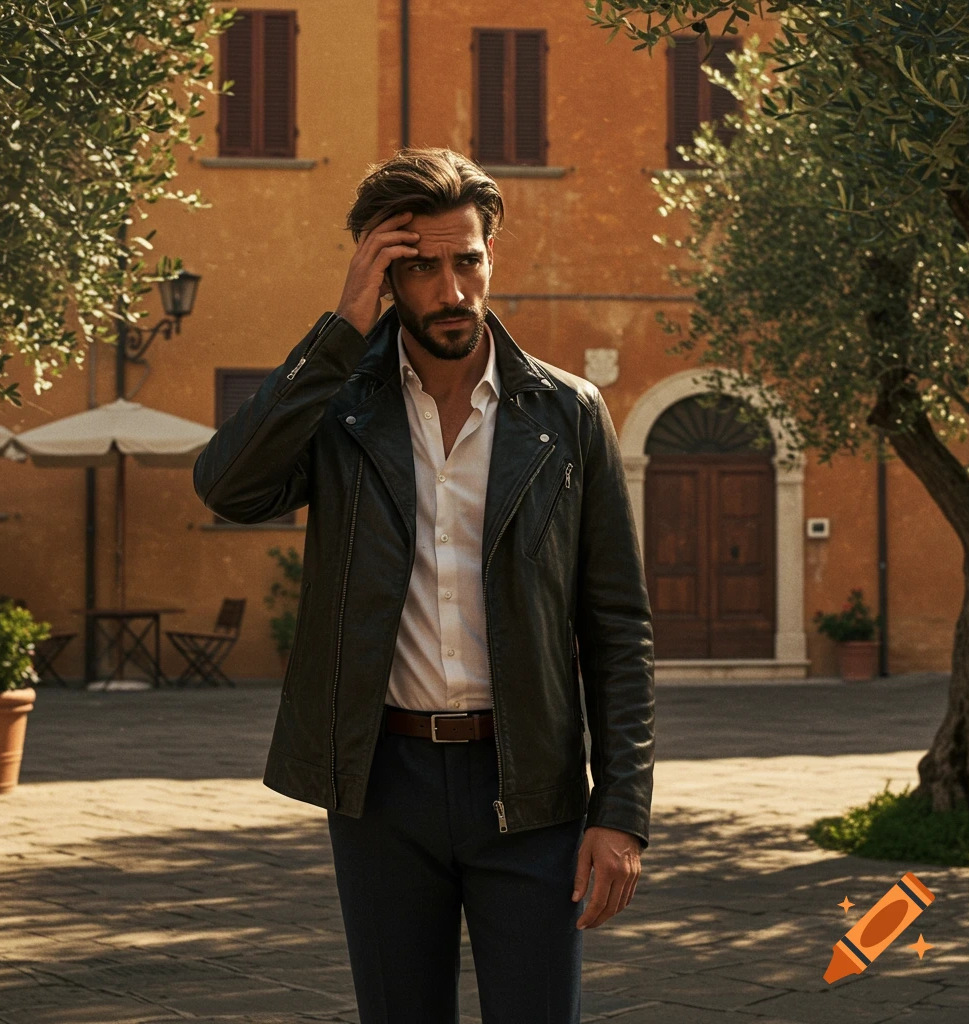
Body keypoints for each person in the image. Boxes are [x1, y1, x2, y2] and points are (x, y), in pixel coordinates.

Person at [193, 147, 655, 1023]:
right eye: (420, 267)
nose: (452, 291)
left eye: (467, 260)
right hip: (382, 783)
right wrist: (339, 328)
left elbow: (617, 624)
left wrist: (622, 810)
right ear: (384, 275)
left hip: (530, 782)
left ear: (490, 257)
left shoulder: (568, 415)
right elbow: (230, 486)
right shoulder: (341, 412)